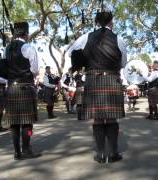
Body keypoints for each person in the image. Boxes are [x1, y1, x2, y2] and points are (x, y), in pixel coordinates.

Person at [68, 11, 127, 163]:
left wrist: (84, 58)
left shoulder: (86, 37)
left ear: (96, 22)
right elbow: (123, 64)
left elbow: (71, 53)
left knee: (98, 120)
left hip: (93, 80)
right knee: (112, 119)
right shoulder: (118, 39)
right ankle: (113, 153)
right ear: (111, 22)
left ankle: (101, 154)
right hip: (113, 80)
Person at [5, 22, 41, 160]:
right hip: (25, 87)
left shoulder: (6, 48)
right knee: (27, 122)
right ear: (26, 33)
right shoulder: (28, 47)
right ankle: (26, 149)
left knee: (14, 123)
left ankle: (16, 152)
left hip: (11, 88)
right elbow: (35, 70)